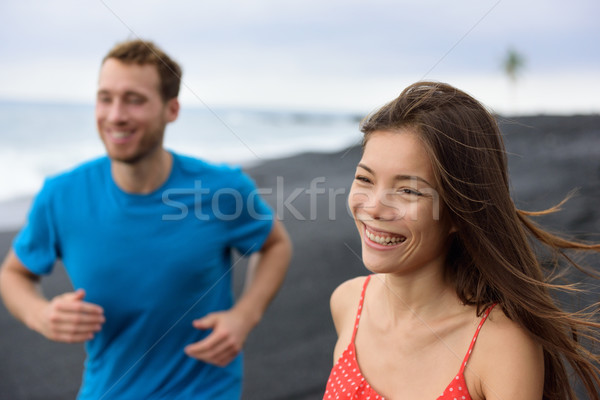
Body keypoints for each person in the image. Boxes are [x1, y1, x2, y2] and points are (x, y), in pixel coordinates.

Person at [0, 39, 292, 399]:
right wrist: (39, 314)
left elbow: (275, 244)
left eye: (134, 99)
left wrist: (245, 315)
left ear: (171, 110)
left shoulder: (223, 190)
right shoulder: (60, 195)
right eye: (105, 98)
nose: (115, 115)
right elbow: (14, 273)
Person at [324, 82, 600, 400]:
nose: (373, 207)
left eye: (408, 190)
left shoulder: (499, 344)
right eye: (365, 179)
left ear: (459, 211)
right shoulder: (347, 303)